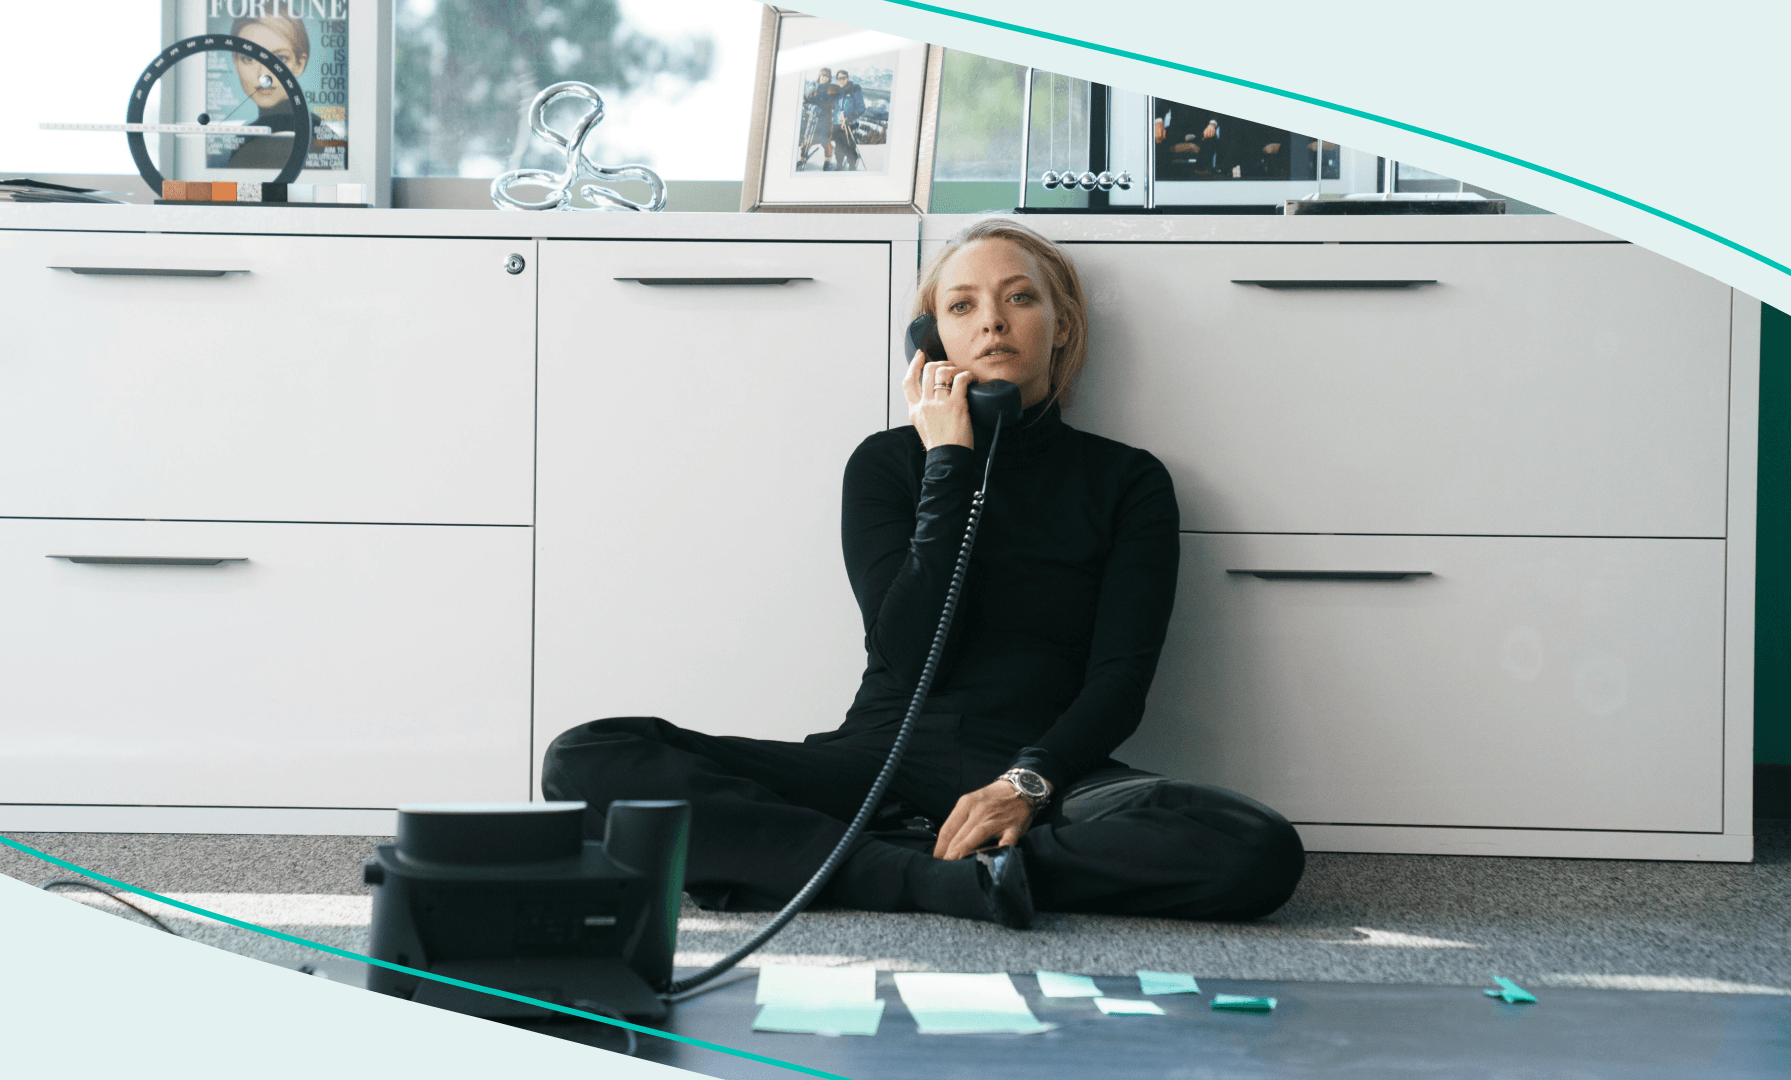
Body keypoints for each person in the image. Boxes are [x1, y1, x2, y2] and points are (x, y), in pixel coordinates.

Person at [543, 219, 1305, 928]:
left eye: (1019, 298)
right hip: (875, 762)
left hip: (1041, 773)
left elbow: (1120, 680)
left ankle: (854, 864)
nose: (992, 322)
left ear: (1062, 325)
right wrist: (948, 460)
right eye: (963, 305)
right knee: (586, 756)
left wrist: (1027, 783)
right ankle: (946, 879)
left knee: (1252, 844)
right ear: (932, 339)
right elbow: (909, 650)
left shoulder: (1128, 481)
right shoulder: (889, 463)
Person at [222, 13, 320, 170]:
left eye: (280, 59)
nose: (263, 75)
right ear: (235, 62)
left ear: (299, 64)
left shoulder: (315, 139)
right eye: (249, 58)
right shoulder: (246, 138)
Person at [797, 69, 839, 171]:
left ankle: (827, 162)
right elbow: (804, 102)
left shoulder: (832, 89)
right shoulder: (812, 88)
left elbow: (837, 102)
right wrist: (811, 106)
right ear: (819, 76)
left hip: (826, 119)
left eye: (827, 76)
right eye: (822, 75)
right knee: (807, 139)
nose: (824, 77)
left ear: (829, 78)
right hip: (814, 117)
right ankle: (802, 158)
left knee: (825, 141)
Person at [830, 70, 865, 171]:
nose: (841, 80)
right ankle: (839, 164)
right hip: (837, 123)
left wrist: (849, 118)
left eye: (843, 78)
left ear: (848, 78)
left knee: (849, 146)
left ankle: (852, 164)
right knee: (838, 146)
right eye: (839, 78)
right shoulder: (836, 91)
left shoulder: (854, 89)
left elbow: (861, 107)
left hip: (849, 123)